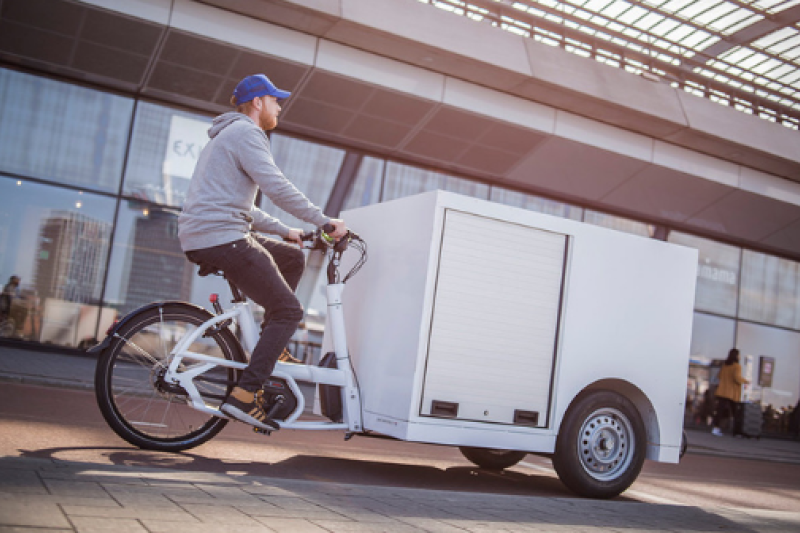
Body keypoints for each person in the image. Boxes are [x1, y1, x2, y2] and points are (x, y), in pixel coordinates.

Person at [178, 74, 347, 432]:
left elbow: (245, 206)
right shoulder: (247, 133)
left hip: (210, 233)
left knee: (291, 256)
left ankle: (272, 349)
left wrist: (287, 231)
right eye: (275, 100)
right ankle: (245, 395)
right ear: (258, 103)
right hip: (222, 236)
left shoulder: (226, 138)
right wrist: (325, 221)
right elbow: (275, 185)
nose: (279, 107)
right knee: (289, 311)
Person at [710, 348, 750, 437]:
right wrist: (746, 381)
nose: (740, 357)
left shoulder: (725, 365)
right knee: (736, 413)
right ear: (736, 356)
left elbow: (719, 376)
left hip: (722, 391)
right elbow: (737, 378)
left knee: (719, 411)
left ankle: (715, 428)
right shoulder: (737, 366)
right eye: (739, 355)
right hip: (732, 393)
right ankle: (736, 432)